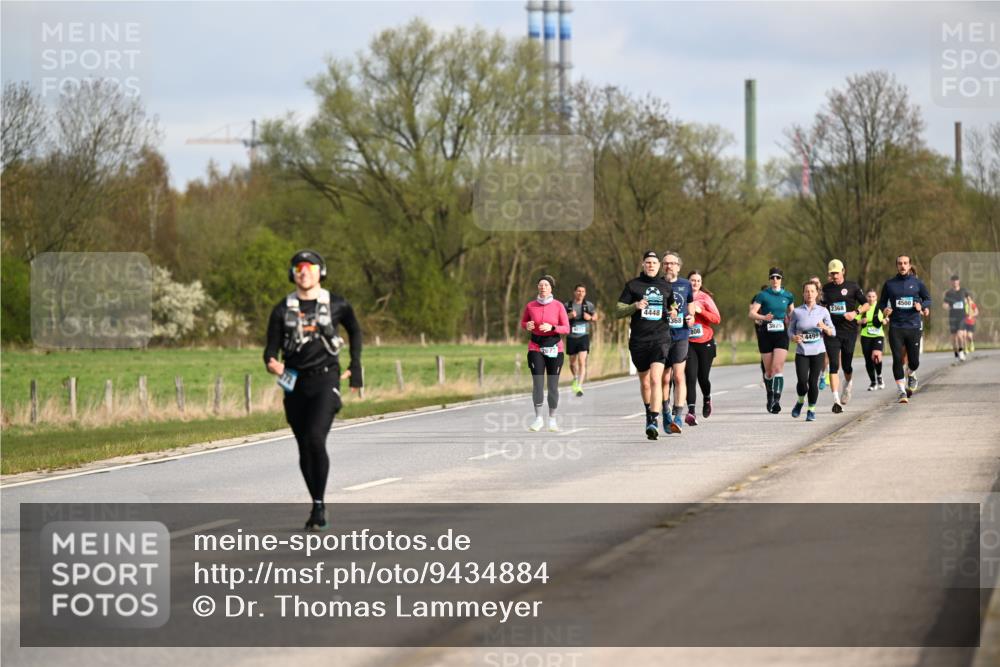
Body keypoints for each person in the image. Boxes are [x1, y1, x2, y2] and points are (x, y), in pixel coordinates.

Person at [264, 249, 363, 531]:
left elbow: (355, 331)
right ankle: (317, 502)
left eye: (309, 267)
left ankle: (318, 507)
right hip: (293, 381)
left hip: (326, 379)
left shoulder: (337, 304)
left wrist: (355, 367)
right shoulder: (282, 309)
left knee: (315, 438)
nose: (304, 272)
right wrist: (272, 364)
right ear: (292, 274)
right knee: (304, 446)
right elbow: (270, 350)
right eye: (298, 268)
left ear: (321, 272)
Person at [615, 251, 675, 440]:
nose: (651, 265)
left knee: (656, 379)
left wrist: (673, 312)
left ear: (659, 266)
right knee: (645, 382)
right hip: (639, 340)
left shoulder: (665, 286)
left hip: (660, 338)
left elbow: (672, 306)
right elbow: (618, 310)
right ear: (643, 264)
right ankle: (649, 413)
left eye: (654, 263)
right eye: (648, 262)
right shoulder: (633, 285)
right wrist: (635, 306)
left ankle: (654, 421)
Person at [520, 275, 570, 432]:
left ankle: (552, 419)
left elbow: (566, 328)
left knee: (553, 386)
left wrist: (552, 328)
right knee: (538, 384)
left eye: (546, 285)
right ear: (537, 287)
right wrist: (526, 325)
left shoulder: (558, 306)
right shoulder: (530, 306)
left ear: (551, 288)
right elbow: (523, 323)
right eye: (540, 285)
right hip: (535, 347)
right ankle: (538, 419)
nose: (543, 287)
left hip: (555, 348)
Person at [879, 254, 931, 404]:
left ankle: (911, 373)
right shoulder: (889, 284)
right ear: (897, 266)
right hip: (896, 327)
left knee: (914, 361)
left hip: (913, 326)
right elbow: (882, 303)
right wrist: (885, 310)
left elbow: (928, 299)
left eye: (905, 263)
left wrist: (922, 306)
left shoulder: (918, 283)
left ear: (909, 265)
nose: (902, 266)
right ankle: (901, 391)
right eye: (900, 263)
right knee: (897, 359)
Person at [819, 259, 868, 413]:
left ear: (843, 271)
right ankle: (836, 400)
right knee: (834, 365)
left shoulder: (852, 287)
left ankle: (848, 385)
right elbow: (820, 308)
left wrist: (855, 313)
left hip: (849, 331)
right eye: (832, 273)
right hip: (832, 332)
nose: (834, 276)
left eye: (837, 273)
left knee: (846, 365)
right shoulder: (825, 290)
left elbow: (866, 304)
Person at [660, 251, 696, 434]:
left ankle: (678, 417)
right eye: (665, 263)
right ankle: (666, 412)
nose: (669, 266)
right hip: (661, 336)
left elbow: (690, 306)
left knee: (679, 376)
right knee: (664, 378)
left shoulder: (685, 284)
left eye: (672, 263)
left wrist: (691, 317)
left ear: (679, 267)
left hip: (681, 335)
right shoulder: (657, 285)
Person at [749, 268, 795, 413]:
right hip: (766, 334)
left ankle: (776, 399)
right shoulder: (762, 295)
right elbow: (752, 313)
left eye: (778, 277)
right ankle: (769, 394)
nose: (775, 280)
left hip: (781, 333)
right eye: (773, 277)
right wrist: (763, 318)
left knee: (777, 368)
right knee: (768, 372)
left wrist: (792, 323)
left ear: (781, 279)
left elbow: (792, 314)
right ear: (769, 279)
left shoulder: (788, 295)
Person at [788, 281, 836, 422]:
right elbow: (790, 330)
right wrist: (793, 337)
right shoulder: (796, 312)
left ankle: (811, 410)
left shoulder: (823, 311)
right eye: (807, 291)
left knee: (813, 381)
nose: (809, 294)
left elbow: (833, 332)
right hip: (802, 352)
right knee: (802, 382)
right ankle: (800, 401)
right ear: (803, 293)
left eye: (812, 291)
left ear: (817, 293)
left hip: (818, 352)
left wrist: (824, 327)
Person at [684, 270, 721, 425]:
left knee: (702, 378)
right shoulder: (681, 296)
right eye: (692, 280)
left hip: (705, 342)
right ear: (688, 282)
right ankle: (691, 411)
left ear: (701, 283)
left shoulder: (705, 298)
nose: (695, 283)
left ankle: (707, 399)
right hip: (688, 343)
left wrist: (701, 311)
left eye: (698, 281)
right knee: (690, 377)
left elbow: (717, 319)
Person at [564, 284, 598, 397]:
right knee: (572, 363)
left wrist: (591, 318)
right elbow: (560, 319)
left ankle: (579, 386)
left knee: (582, 361)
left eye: (583, 291)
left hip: (584, 336)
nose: (580, 293)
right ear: (574, 292)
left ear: (585, 293)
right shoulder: (567, 305)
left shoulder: (588, 305)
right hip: (571, 337)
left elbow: (596, 317)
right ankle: (575, 377)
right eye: (578, 291)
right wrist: (568, 316)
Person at [858, 288, 886, 390]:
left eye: (873, 296)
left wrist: (885, 320)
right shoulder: (862, 307)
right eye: (869, 296)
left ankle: (879, 376)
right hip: (865, 336)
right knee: (868, 360)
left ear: (876, 297)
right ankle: (873, 382)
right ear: (866, 297)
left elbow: (887, 317)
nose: (871, 298)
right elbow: (856, 321)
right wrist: (861, 321)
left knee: (876, 355)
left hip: (878, 335)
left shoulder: (880, 307)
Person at [808, 275, 830, 391]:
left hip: (823, 326)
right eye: (812, 282)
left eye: (816, 282)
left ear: (820, 284)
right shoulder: (808, 294)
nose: (814, 284)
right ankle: (812, 375)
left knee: (825, 353)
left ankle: (822, 376)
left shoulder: (825, 294)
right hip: (812, 328)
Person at [943, 275, 970, 362]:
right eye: (953, 281)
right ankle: (956, 352)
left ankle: (961, 351)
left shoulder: (963, 291)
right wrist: (946, 306)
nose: (955, 282)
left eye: (956, 281)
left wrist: (969, 310)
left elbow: (969, 300)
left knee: (960, 335)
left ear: (959, 281)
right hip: (952, 317)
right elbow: (945, 304)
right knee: (954, 338)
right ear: (951, 282)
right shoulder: (949, 293)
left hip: (962, 316)